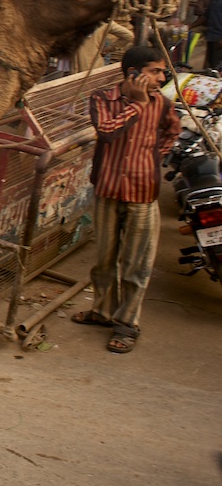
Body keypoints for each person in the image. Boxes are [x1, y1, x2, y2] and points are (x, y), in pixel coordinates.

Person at [73, 46, 178, 354]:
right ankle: (103, 312)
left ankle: (127, 324)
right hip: (108, 190)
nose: (161, 77)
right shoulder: (103, 99)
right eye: (155, 71)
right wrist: (136, 103)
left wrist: (154, 156)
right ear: (133, 73)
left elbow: (173, 132)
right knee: (105, 260)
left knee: (136, 265)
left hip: (143, 194)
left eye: (162, 72)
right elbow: (107, 131)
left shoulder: (162, 103)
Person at [201, 0, 222, 70]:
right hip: (212, 37)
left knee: (217, 65)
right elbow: (206, 17)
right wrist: (191, 26)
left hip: (219, 38)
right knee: (210, 63)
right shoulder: (215, 0)